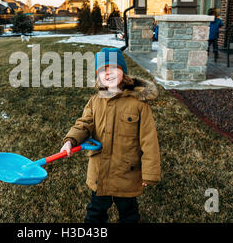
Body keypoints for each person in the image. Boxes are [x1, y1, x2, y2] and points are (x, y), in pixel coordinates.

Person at [60, 47, 161, 223]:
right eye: (102, 70)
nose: (108, 73)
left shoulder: (138, 104)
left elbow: (149, 140)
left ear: (124, 72)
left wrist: (149, 173)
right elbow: (84, 124)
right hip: (101, 172)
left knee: (129, 213)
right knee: (95, 213)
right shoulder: (95, 101)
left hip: (127, 173)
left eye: (113, 68)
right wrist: (71, 140)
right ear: (98, 76)